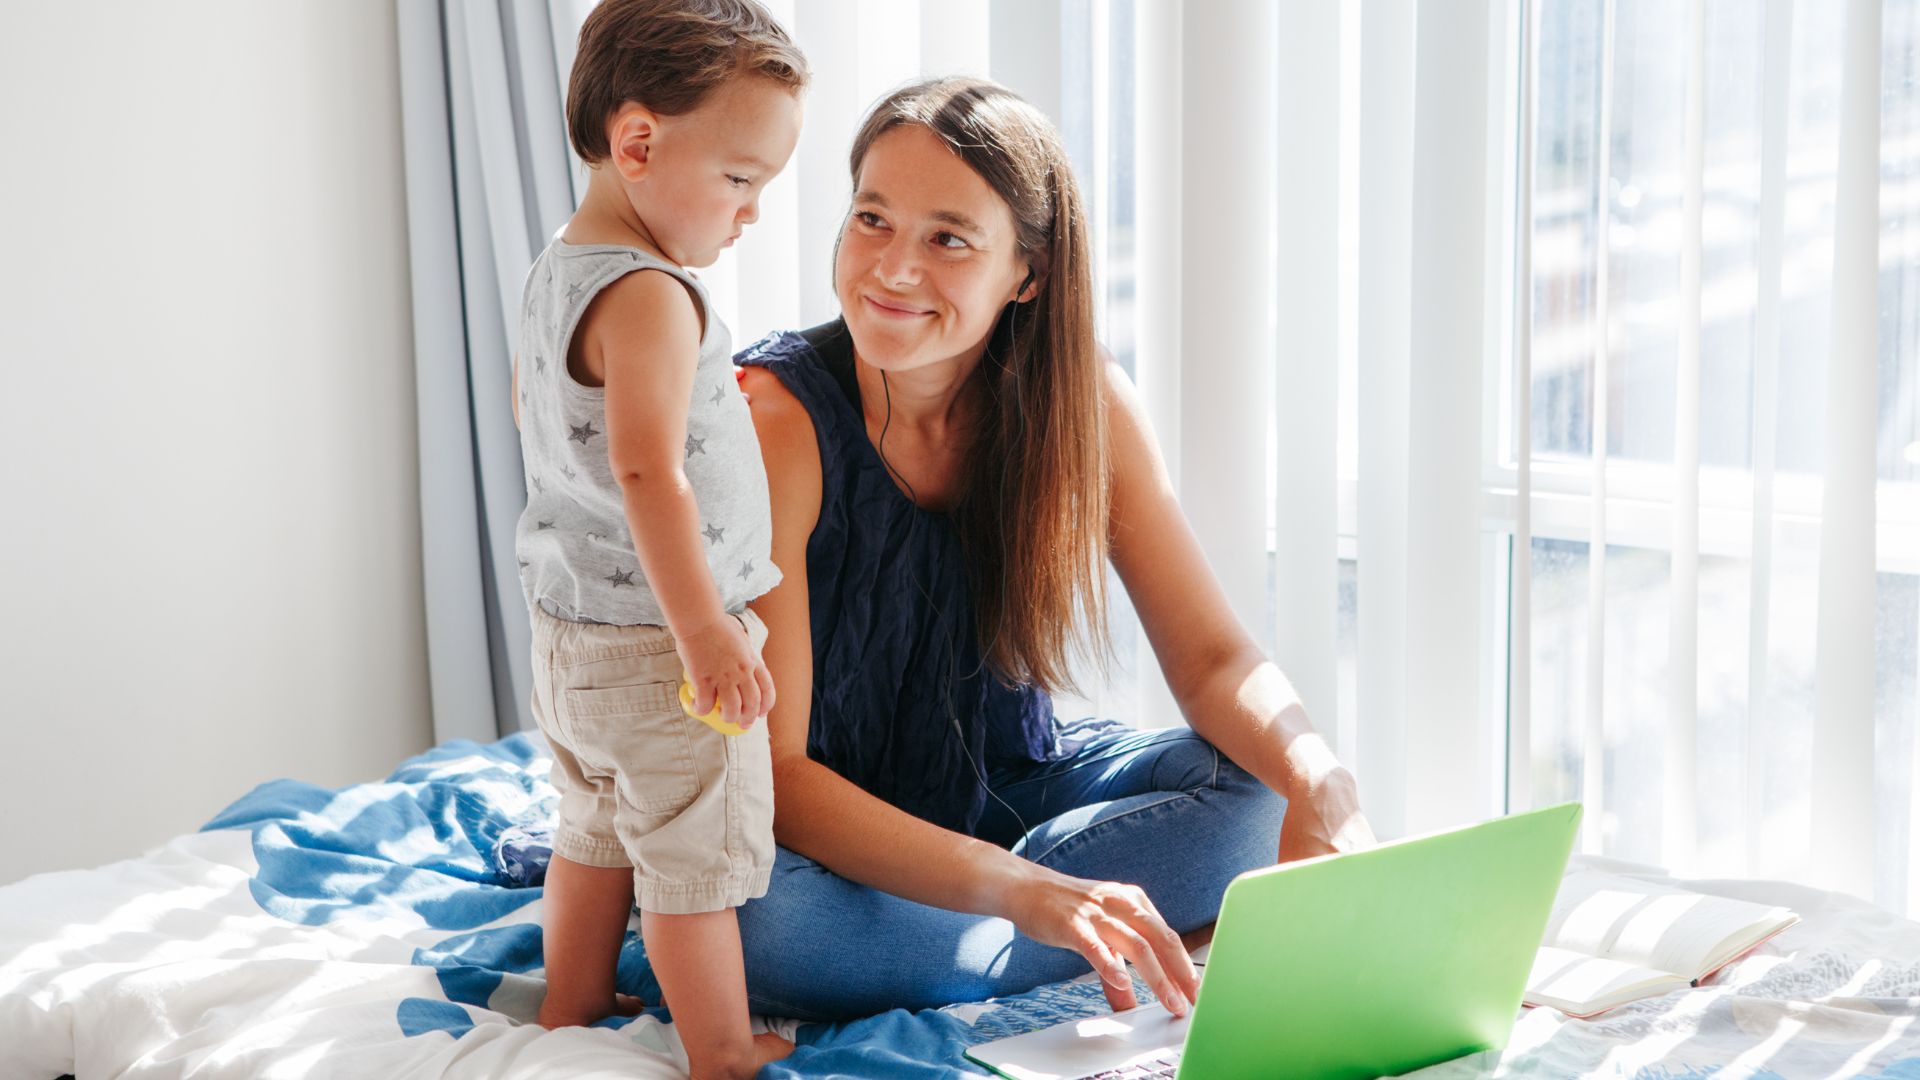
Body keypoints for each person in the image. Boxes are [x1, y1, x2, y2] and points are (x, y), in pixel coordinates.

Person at [723, 76, 1376, 1023]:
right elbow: (776, 778)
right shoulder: (775, 417)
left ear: (1027, 271)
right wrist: (1029, 891)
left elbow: (1214, 657)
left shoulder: (1085, 404)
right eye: (872, 219)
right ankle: (1060, 925)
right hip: (827, 844)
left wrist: (1323, 778)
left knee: (1259, 795)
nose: (893, 268)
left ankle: (996, 936)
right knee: (769, 927)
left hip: (1005, 791)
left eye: (948, 238)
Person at [508, 1, 804, 1074]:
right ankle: (722, 1052)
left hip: (571, 633)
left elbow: (528, 409)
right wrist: (708, 635)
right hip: (659, 644)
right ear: (638, 142)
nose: (752, 214)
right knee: (692, 858)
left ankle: (572, 1006)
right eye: (740, 180)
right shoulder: (649, 297)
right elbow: (646, 468)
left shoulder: (562, 267)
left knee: (591, 832)